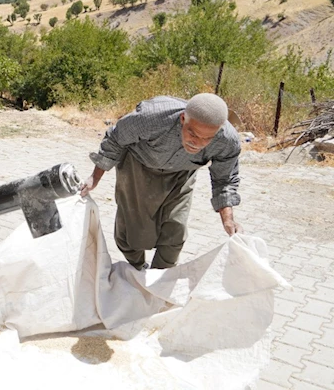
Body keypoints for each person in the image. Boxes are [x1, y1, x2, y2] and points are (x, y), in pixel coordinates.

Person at [80, 93, 242, 270]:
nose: (197, 143)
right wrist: (95, 178)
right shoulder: (151, 117)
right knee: (131, 233)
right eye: (192, 133)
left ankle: (159, 280)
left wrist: (228, 220)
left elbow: (224, 179)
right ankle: (137, 271)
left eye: (207, 138)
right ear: (183, 119)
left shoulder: (227, 141)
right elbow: (116, 139)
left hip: (181, 175)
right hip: (138, 167)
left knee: (176, 230)